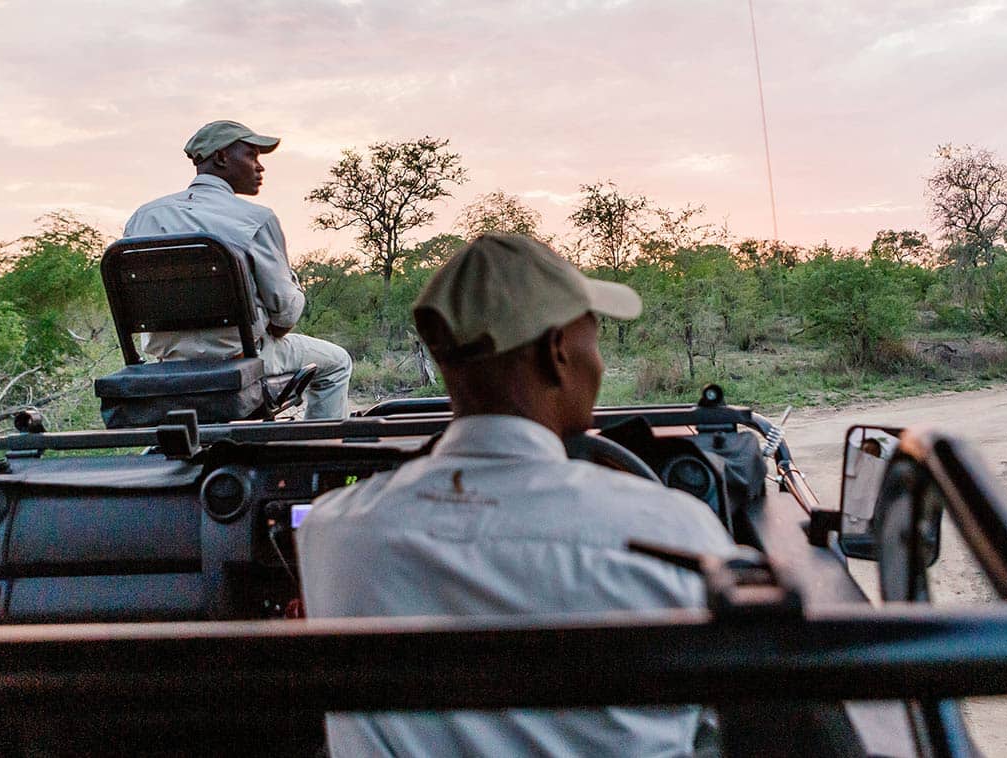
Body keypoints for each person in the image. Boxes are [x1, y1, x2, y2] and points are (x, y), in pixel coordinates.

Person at [296, 233, 735, 756]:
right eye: (592, 334)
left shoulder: (331, 531)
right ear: (556, 352)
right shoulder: (672, 532)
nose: (598, 358)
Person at [124, 120, 352, 419]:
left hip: (168, 362)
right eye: (252, 155)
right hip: (242, 357)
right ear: (221, 158)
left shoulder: (144, 217)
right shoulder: (254, 218)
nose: (260, 167)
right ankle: (322, 453)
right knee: (337, 362)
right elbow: (286, 316)